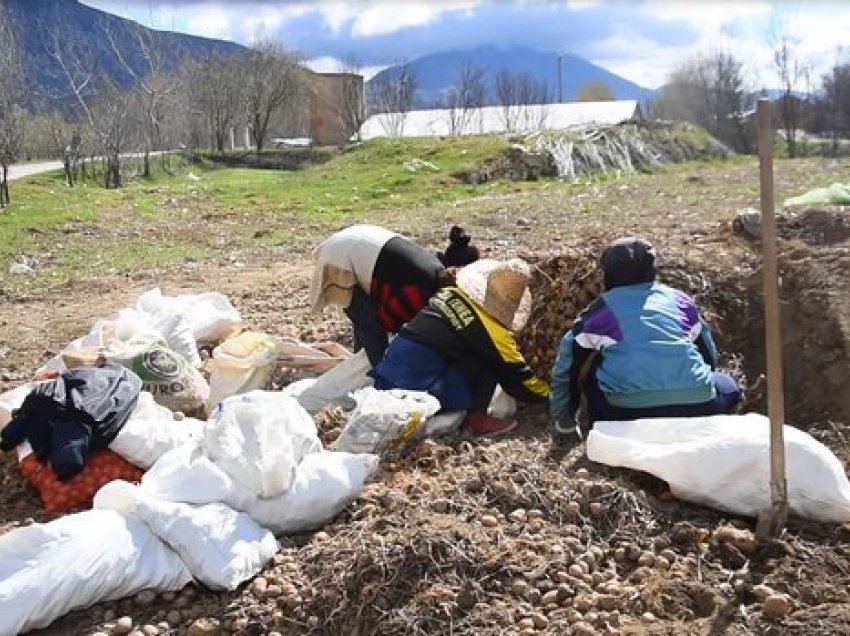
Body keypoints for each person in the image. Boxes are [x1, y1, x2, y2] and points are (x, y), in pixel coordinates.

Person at [550, 237, 741, 436]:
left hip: (626, 414)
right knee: (728, 385)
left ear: (607, 273)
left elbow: (567, 367)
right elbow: (708, 353)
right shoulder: (680, 301)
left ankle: (604, 430)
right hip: (698, 406)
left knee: (594, 369)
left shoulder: (600, 311)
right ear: (652, 270)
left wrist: (565, 422)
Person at [370, 258, 550, 436]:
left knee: (470, 350)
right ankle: (476, 419)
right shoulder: (494, 333)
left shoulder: (450, 294)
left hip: (388, 371)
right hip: (413, 387)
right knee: (490, 361)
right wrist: (550, 394)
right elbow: (518, 378)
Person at [310, 224, 451, 365]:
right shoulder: (421, 292)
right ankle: (379, 380)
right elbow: (387, 322)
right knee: (371, 327)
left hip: (363, 242)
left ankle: (362, 366)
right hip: (343, 256)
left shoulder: (437, 272)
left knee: (366, 324)